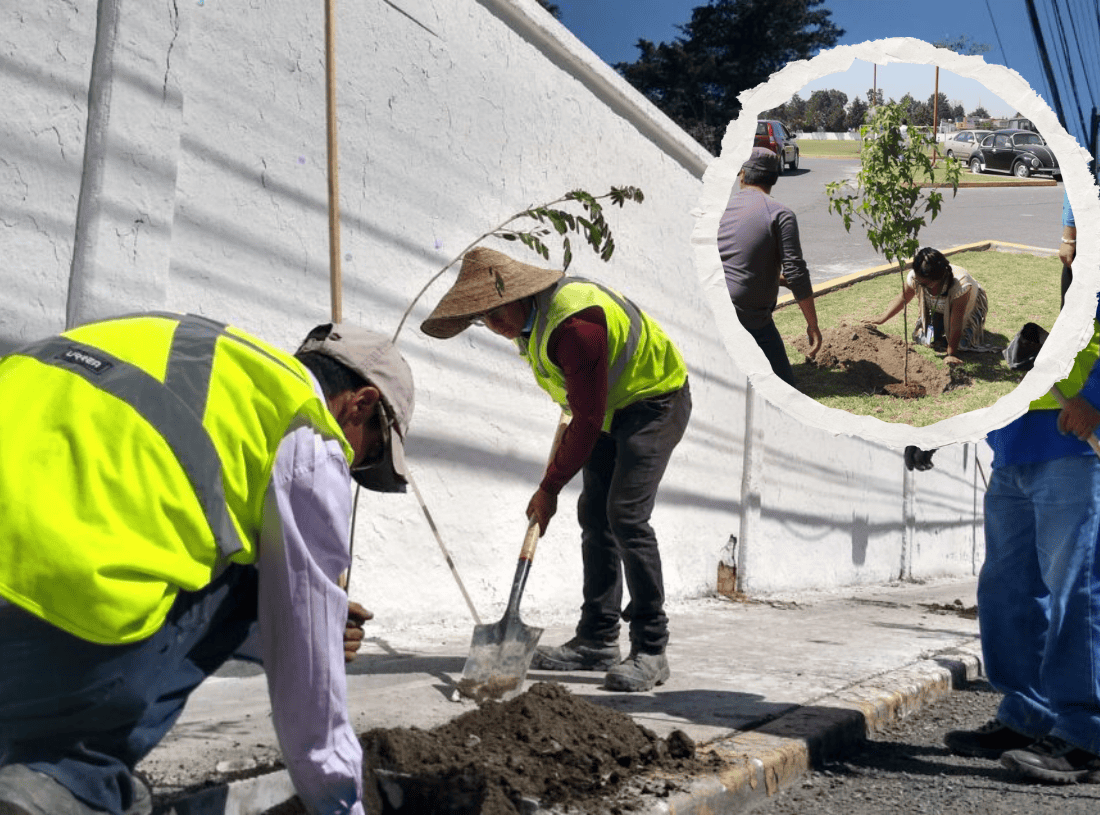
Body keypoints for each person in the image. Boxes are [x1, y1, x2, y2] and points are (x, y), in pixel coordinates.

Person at [0, 314, 415, 815]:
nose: (351, 468)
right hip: (51, 618)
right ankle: (68, 772)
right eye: (366, 458)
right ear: (361, 403)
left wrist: (312, 622)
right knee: (248, 580)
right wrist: (339, 801)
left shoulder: (172, 342)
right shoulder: (306, 429)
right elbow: (305, 671)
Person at [943, 205, 1100, 783]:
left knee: (1075, 590)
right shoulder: (990, 239)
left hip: (1080, 435)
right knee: (1007, 589)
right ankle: (1026, 713)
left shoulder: (1087, 219)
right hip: (1017, 442)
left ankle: (1084, 737)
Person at [420, 247, 690, 692]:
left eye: (497, 310)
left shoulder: (575, 323)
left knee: (625, 514)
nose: (495, 324)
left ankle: (651, 649)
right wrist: (557, 475)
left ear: (521, 293)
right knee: (595, 515)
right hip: (610, 407)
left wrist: (548, 487)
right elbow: (581, 407)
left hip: (656, 399)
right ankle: (597, 640)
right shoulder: (531, 327)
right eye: (483, 318)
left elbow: (586, 418)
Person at [718, 146, 822, 386]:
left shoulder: (720, 209)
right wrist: (813, 325)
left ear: (742, 175)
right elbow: (796, 274)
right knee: (784, 389)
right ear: (774, 178)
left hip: (713, 307)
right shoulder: (780, 214)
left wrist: (777, 280)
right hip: (749, 317)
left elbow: (736, 263)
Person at [868, 246, 990, 365]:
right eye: (922, 284)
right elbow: (903, 298)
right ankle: (940, 323)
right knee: (925, 340)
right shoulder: (916, 277)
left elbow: (956, 321)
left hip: (967, 309)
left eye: (929, 285)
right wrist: (881, 318)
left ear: (941, 278)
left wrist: (951, 354)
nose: (924, 288)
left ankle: (958, 331)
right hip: (938, 307)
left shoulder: (961, 285)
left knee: (962, 345)